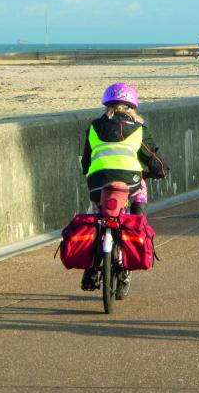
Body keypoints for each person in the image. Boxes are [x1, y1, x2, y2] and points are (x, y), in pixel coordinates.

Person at [79, 82, 169, 291]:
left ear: (106, 106)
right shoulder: (138, 130)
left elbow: (86, 162)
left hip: (98, 184)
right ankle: (133, 244)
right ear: (132, 107)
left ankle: (91, 269)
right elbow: (155, 159)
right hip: (130, 184)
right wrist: (160, 172)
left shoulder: (93, 127)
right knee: (137, 213)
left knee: (98, 219)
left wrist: (91, 171)